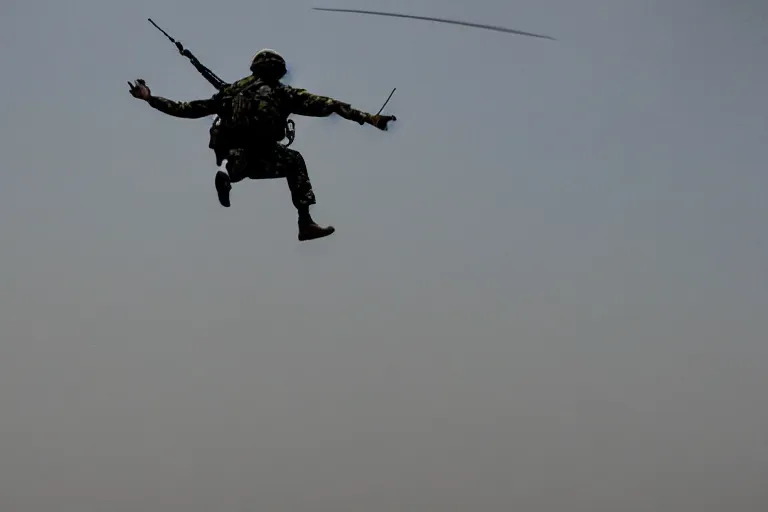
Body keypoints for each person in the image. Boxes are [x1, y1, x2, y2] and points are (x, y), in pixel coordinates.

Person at [128, 49, 396, 241]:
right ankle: (305, 223)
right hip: (262, 154)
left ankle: (225, 172)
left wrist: (149, 98)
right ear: (278, 71)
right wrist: (369, 118)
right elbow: (331, 105)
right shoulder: (282, 92)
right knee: (294, 161)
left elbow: (187, 109)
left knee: (234, 160)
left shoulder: (231, 91)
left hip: (235, 154)